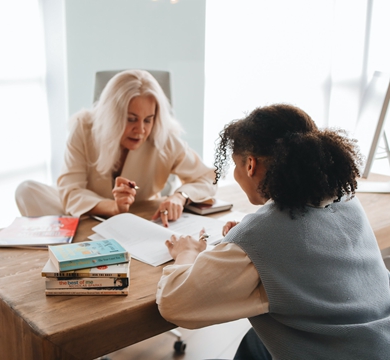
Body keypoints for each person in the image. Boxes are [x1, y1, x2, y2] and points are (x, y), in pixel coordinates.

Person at [156, 104, 390, 359]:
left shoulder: (261, 237)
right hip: (379, 341)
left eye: (235, 165)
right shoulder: (346, 199)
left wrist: (186, 254)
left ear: (250, 165)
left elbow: (174, 304)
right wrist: (250, 239)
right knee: (255, 342)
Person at [15, 69, 216, 226]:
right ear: (112, 115)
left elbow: (207, 178)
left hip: (137, 216)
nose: (141, 130)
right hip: (87, 212)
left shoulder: (164, 137)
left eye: (148, 119)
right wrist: (114, 207)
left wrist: (180, 197)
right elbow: (70, 191)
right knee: (26, 191)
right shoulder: (83, 128)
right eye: (131, 119)